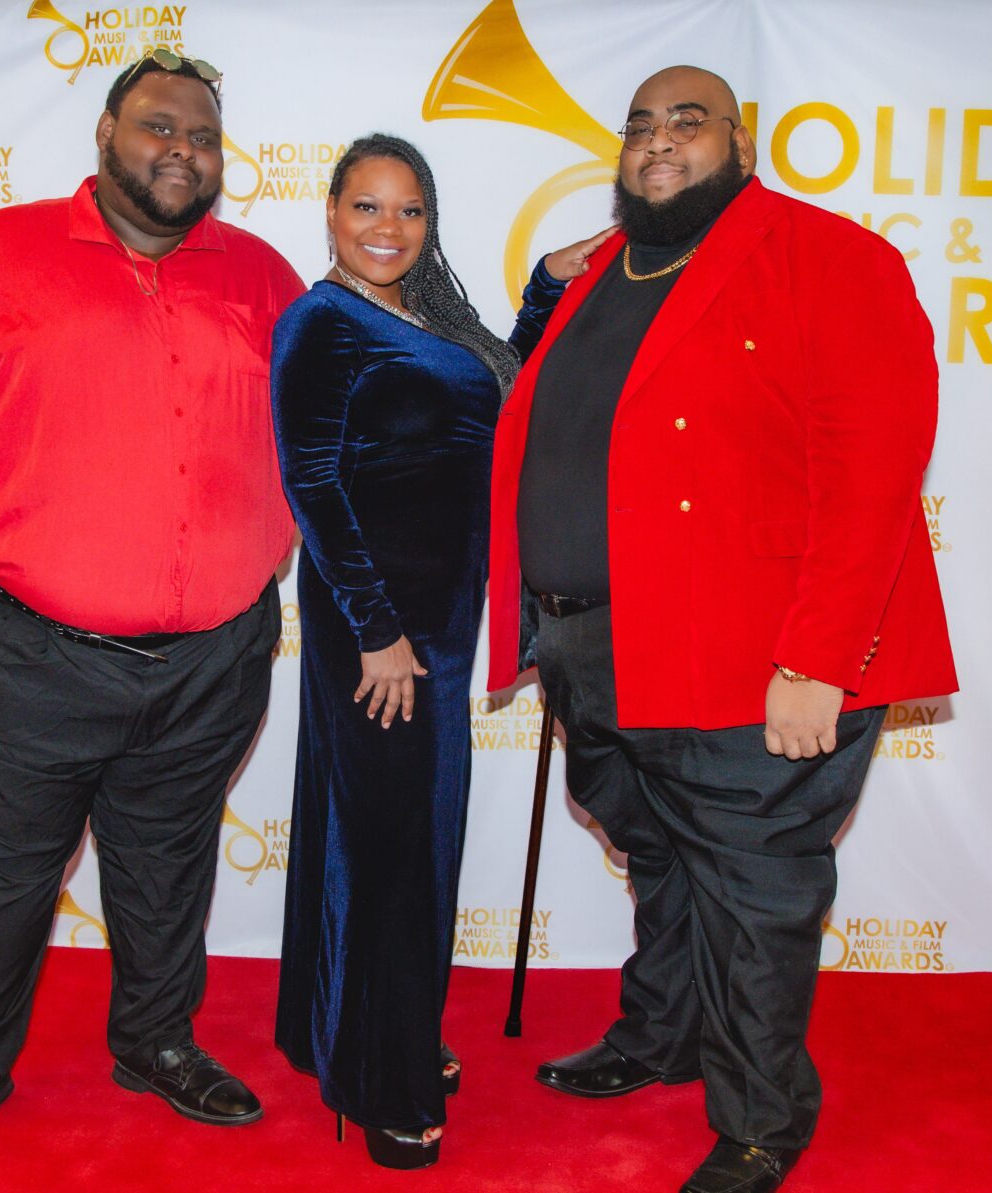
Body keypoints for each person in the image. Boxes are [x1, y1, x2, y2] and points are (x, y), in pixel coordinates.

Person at [486, 67, 958, 1193]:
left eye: (687, 123)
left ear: (741, 146)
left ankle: (761, 1120)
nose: (658, 142)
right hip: (596, 647)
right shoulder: (599, 270)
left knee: (754, 893)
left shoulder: (833, 258)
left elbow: (872, 473)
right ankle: (662, 1034)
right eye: (641, 125)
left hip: (757, 659)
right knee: (662, 858)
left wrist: (818, 660)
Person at [0, 49, 304, 1174]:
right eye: (158, 128)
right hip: (28, 656)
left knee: (168, 862)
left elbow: (331, 432)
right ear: (104, 136)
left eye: (202, 136)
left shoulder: (262, 277)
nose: (181, 153)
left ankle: (154, 1038)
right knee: (8, 871)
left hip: (212, 656)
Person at [271, 132, 607, 1170]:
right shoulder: (319, 323)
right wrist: (375, 630)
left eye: (409, 211)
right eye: (367, 207)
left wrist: (547, 293)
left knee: (417, 835)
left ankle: (380, 1025)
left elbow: (493, 396)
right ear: (330, 212)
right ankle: (385, 1080)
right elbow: (313, 485)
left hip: (443, 629)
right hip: (376, 630)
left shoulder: (426, 313)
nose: (388, 229)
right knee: (394, 847)